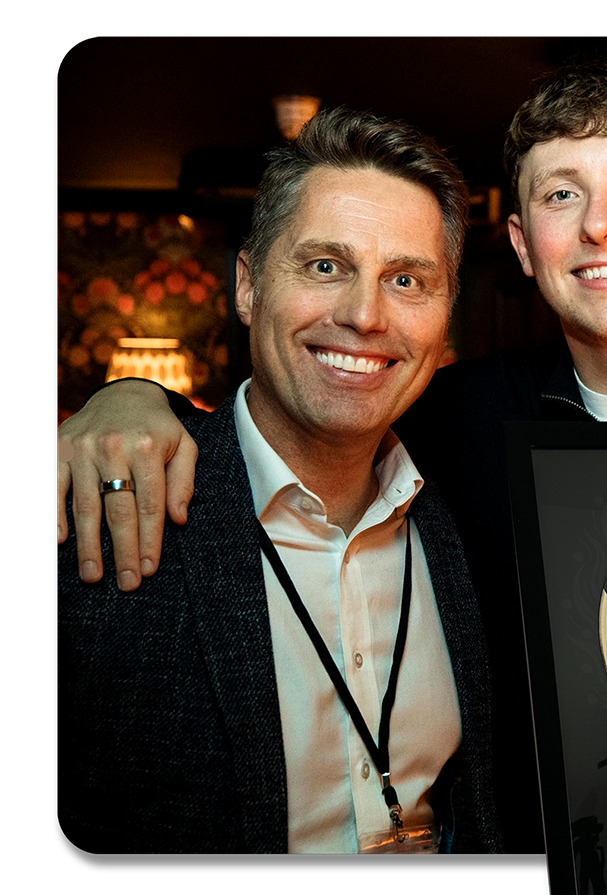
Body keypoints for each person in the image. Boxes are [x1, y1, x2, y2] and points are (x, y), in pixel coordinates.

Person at [57, 61, 607, 857]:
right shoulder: (454, 422)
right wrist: (132, 396)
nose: (601, 225)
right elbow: (309, 411)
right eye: (561, 194)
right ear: (522, 244)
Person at [56, 106, 504, 854]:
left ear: (445, 316)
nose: (365, 315)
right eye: (325, 266)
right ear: (248, 285)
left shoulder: (468, 508)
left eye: (406, 279)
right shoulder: (103, 515)